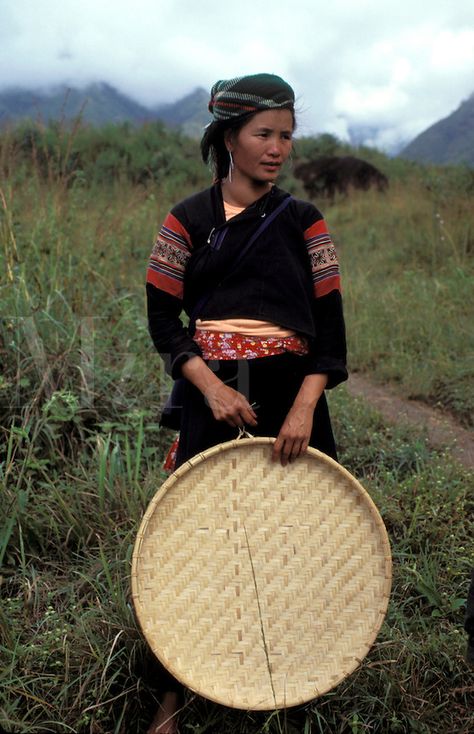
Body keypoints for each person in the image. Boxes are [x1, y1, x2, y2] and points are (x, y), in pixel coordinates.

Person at [144, 72, 347, 733]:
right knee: (194, 541)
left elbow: (331, 332)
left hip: (292, 398)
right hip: (213, 397)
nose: (278, 148)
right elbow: (163, 322)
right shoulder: (186, 220)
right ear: (228, 138)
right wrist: (210, 387)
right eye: (264, 134)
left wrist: (303, 410)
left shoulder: (304, 222)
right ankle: (171, 696)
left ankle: (287, 678)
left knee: (300, 539)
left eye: (287, 135)